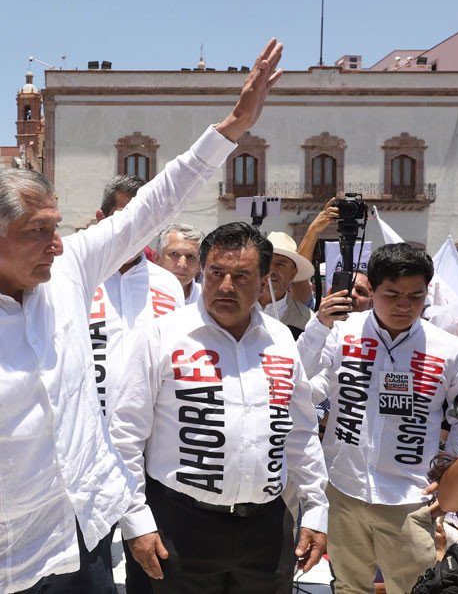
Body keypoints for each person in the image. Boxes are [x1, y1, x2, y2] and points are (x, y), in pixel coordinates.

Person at [0, 39, 285, 593]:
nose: (57, 244)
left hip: (84, 542)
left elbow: (152, 206)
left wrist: (231, 128)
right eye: (39, 231)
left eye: (57, 226)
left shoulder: (66, 275)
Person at [111, 222, 328, 593]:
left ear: (263, 282)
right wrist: (136, 522)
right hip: (176, 529)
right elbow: (125, 434)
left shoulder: (280, 340)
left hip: (266, 532)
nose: (226, 286)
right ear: (203, 273)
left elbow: (301, 432)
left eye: (241, 276)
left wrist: (316, 508)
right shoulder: (163, 336)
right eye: (216, 273)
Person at [298, 243, 458, 594]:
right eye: (392, 295)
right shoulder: (340, 331)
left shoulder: (452, 350)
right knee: (349, 586)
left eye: (415, 296)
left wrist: (449, 470)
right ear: (372, 290)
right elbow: (298, 381)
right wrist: (318, 325)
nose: (404, 305)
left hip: (410, 497)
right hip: (343, 488)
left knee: (416, 589)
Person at [89, 176, 185, 593]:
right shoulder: (77, 278)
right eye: (125, 217)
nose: (135, 229)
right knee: (87, 573)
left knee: (150, 572)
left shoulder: (168, 286)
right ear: (102, 218)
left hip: (152, 453)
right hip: (87, 453)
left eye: (145, 220)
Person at [259, 231, 315, 337]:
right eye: (267, 262)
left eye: (280, 264)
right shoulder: (237, 310)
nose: (271, 270)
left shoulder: (307, 321)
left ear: (293, 273)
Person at [156, 223, 204, 305]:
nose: (182, 264)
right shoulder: (140, 292)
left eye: (191, 256)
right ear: (157, 258)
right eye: (174, 254)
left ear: (199, 265)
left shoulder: (208, 300)